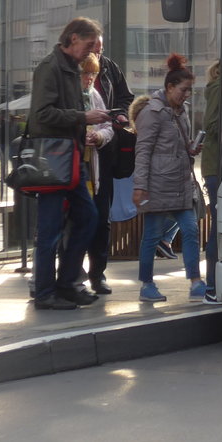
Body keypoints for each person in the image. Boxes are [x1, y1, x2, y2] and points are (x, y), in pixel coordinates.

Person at [28, 17, 109, 310]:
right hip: (55, 158)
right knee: (50, 229)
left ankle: (66, 284)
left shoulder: (69, 69)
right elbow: (41, 115)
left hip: (69, 157)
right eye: (88, 45)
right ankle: (46, 292)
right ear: (73, 39)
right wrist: (83, 118)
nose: (90, 52)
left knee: (88, 216)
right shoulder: (51, 69)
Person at [133, 54, 206, 303]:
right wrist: (141, 186)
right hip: (158, 185)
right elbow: (142, 151)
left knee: (191, 230)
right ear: (170, 87)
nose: (187, 95)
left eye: (190, 91)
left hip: (179, 183)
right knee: (152, 236)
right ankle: (146, 284)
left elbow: (180, 143)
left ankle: (196, 282)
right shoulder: (152, 113)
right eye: (184, 90)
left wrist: (190, 148)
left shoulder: (180, 111)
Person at [84, 36, 134, 294]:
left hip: (104, 151)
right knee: (79, 216)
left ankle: (97, 273)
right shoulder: (74, 74)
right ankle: (74, 270)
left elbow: (126, 98)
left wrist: (119, 117)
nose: (98, 51)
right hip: (78, 156)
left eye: (101, 47)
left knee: (102, 214)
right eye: (94, 47)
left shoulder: (111, 68)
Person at [77, 52, 114, 293]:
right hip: (75, 169)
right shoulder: (70, 95)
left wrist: (99, 136)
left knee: (101, 222)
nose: (90, 78)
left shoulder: (95, 96)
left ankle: (97, 273)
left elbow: (107, 126)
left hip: (95, 170)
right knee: (78, 223)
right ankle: (76, 274)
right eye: (86, 73)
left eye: (93, 73)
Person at [201, 61, 222, 303]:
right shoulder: (219, 88)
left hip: (218, 165)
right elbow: (212, 125)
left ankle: (214, 284)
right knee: (218, 225)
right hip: (217, 166)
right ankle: (212, 285)